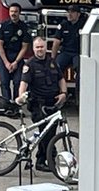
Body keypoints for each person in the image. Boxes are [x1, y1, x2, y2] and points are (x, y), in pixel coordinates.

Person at [17, 36, 67, 172]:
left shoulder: (52, 62)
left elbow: (61, 79)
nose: (40, 49)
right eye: (37, 47)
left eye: (42, 47)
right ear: (33, 49)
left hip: (53, 103)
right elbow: (23, 84)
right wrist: (21, 97)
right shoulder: (30, 65)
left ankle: (43, 159)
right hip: (38, 104)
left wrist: (63, 93)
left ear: (46, 47)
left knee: (50, 132)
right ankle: (46, 160)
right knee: (46, 134)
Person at [0, 3, 31, 104]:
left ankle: (15, 104)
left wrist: (16, 62)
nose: (13, 14)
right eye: (11, 11)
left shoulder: (24, 27)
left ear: (19, 13)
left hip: (17, 57)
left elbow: (24, 47)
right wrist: (6, 63)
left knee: (17, 82)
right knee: (4, 82)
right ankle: (6, 104)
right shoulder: (2, 26)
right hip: (4, 56)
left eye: (15, 11)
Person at [51, 4, 83, 90]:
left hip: (78, 53)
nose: (69, 14)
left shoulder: (83, 25)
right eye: (68, 12)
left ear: (78, 14)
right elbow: (56, 42)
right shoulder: (63, 25)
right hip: (66, 52)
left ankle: (78, 95)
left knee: (80, 70)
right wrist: (52, 59)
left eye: (72, 12)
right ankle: (56, 92)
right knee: (56, 68)